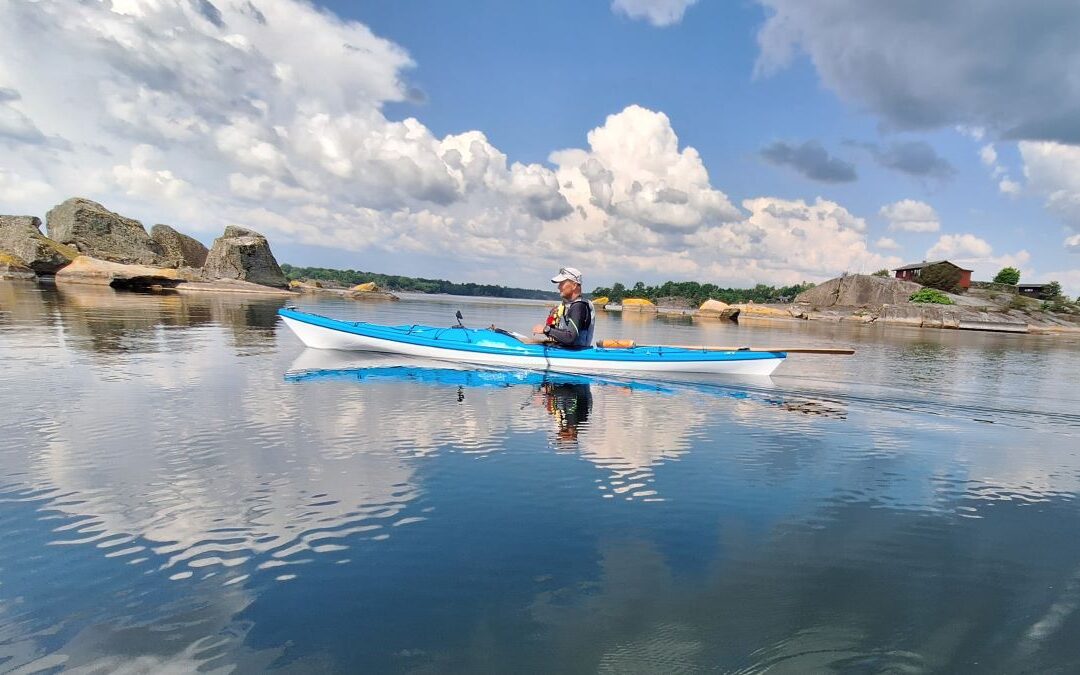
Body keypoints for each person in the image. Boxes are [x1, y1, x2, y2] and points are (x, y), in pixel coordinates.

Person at [532, 266, 595, 348]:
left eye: (562, 283)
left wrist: (546, 330)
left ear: (574, 285)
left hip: (576, 355)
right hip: (567, 351)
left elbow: (570, 338)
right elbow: (561, 335)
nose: (558, 287)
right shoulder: (567, 306)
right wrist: (551, 325)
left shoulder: (578, 306)